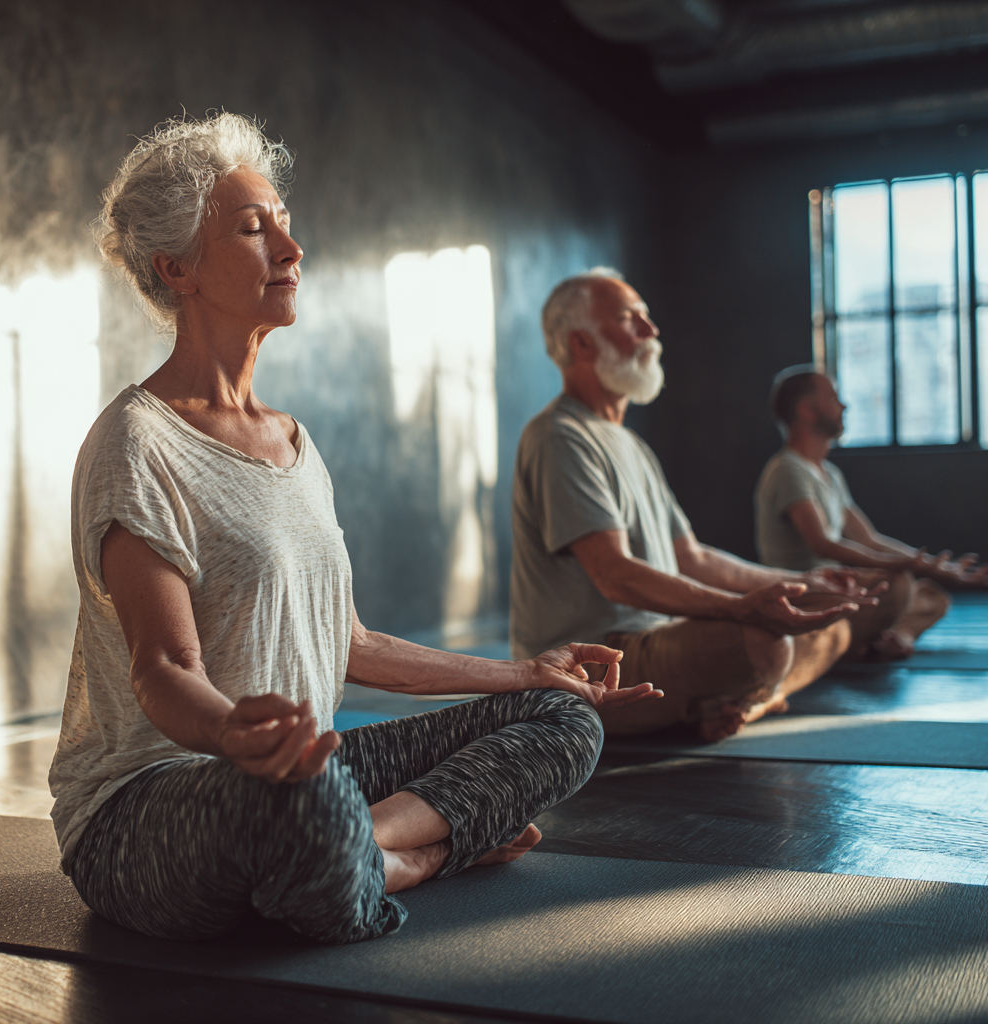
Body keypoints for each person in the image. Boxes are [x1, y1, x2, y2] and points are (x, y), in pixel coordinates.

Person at [48, 115, 660, 947]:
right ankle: (418, 855)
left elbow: (349, 642)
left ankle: (355, 848)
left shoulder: (295, 443)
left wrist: (525, 673)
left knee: (565, 719)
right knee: (306, 808)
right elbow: (165, 668)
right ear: (176, 267)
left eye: (285, 224)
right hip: (155, 803)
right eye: (254, 229)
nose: (292, 250)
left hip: (307, 772)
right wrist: (232, 733)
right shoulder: (137, 442)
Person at [510, 268, 880, 741]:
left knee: (833, 622)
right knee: (765, 642)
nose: (651, 330)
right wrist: (741, 609)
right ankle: (739, 700)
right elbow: (614, 574)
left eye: (647, 317)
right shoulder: (558, 437)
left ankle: (734, 704)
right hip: (590, 662)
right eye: (629, 319)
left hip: (656, 638)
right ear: (581, 343)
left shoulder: (631, 444)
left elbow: (693, 558)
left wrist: (802, 583)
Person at [755, 366, 987, 658]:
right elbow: (823, 544)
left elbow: (869, 538)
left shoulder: (829, 474)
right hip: (808, 595)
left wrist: (936, 566)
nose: (843, 406)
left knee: (931, 596)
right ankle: (850, 643)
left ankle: (890, 639)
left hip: (838, 589)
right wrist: (906, 566)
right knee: (898, 584)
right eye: (833, 399)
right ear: (807, 410)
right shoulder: (788, 470)